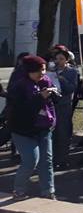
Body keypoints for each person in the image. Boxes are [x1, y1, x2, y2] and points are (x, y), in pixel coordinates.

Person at [7, 56, 57, 199]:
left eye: (44, 69)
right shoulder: (19, 86)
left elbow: (52, 105)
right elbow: (22, 110)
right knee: (31, 160)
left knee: (46, 161)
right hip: (23, 130)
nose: (42, 73)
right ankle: (19, 190)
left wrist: (53, 96)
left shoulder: (46, 82)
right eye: (38, 71)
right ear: (29, 71)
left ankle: (48, 191)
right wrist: (40, 97)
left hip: (44, 127)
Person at [51, 47, 79, 169]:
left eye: (61, 59)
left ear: (67, 60)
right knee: (53, 133)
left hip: (64, 105)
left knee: (63, 132)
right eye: (57, 59)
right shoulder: (51, 71)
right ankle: (51, 159)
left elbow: (72, 88)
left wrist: (62, 79)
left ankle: (62, 159)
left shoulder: (72, 72)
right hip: (52, 105)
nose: (58, 61)